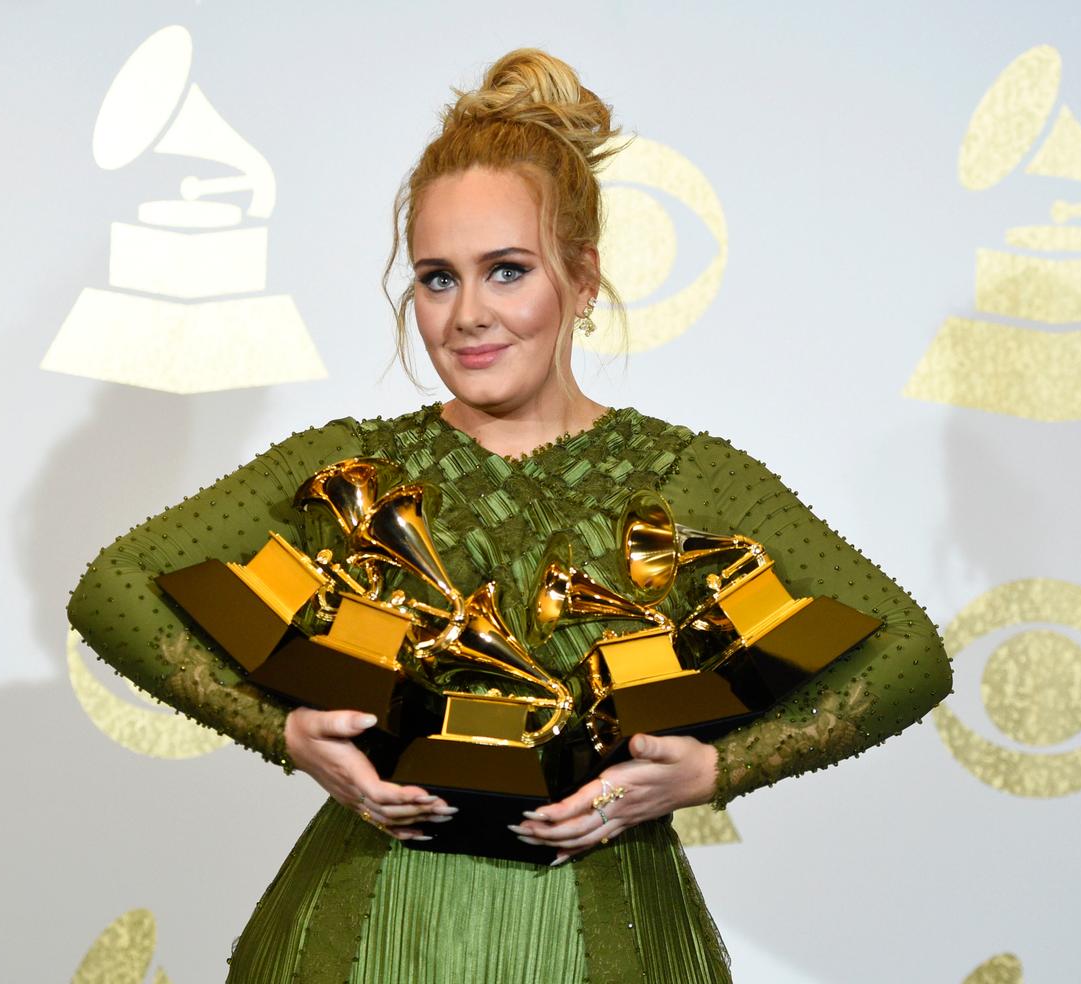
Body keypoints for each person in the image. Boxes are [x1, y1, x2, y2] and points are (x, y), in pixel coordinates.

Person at [67, 48, 951, 984]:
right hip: (362, 941)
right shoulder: (352, 463)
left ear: (582, 276)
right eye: (438, 279)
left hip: (606, 941)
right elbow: (112, 587)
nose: (467, 316)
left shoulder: (687, 477)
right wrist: (284, 736)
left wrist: (712, 773)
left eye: (507, 271)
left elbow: (910, 651)